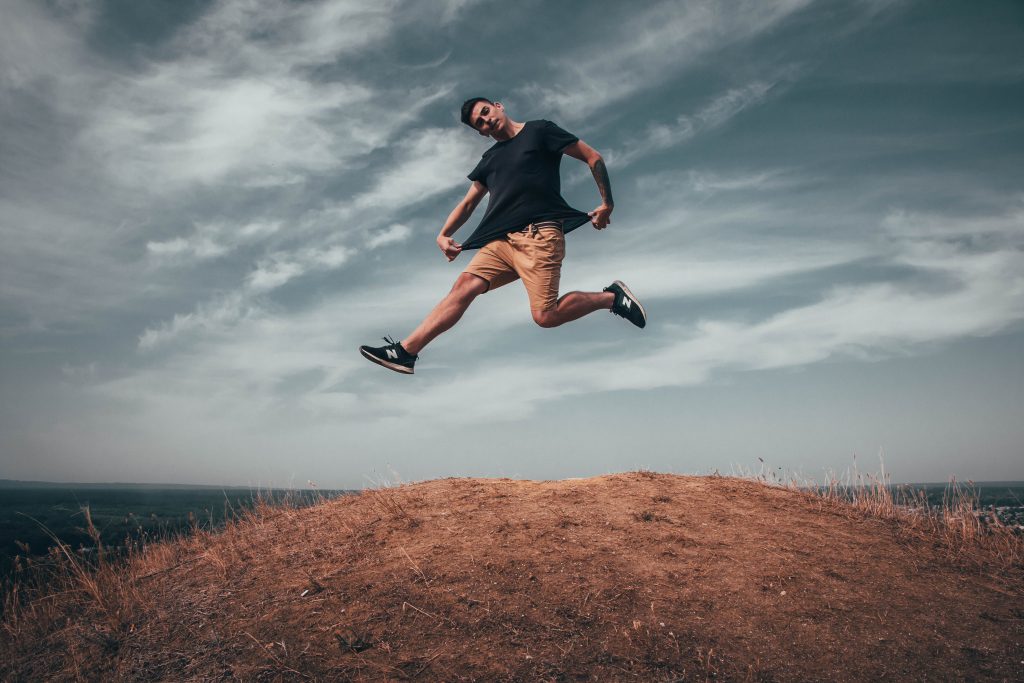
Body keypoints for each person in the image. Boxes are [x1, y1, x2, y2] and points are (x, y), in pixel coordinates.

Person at [359, 97, 646, 374]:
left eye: (485, 112)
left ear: (498, 106)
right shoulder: (491, 159)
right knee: (464, 286)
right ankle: (406, 352)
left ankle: (611, 298)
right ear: (481, 133)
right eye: (479, 124)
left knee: (545, 317)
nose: (485, 121)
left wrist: (607, 203)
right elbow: (469, 202)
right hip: (502, 242)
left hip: (539, 237)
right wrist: (444, 234)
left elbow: (591, 156)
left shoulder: (539, 130)